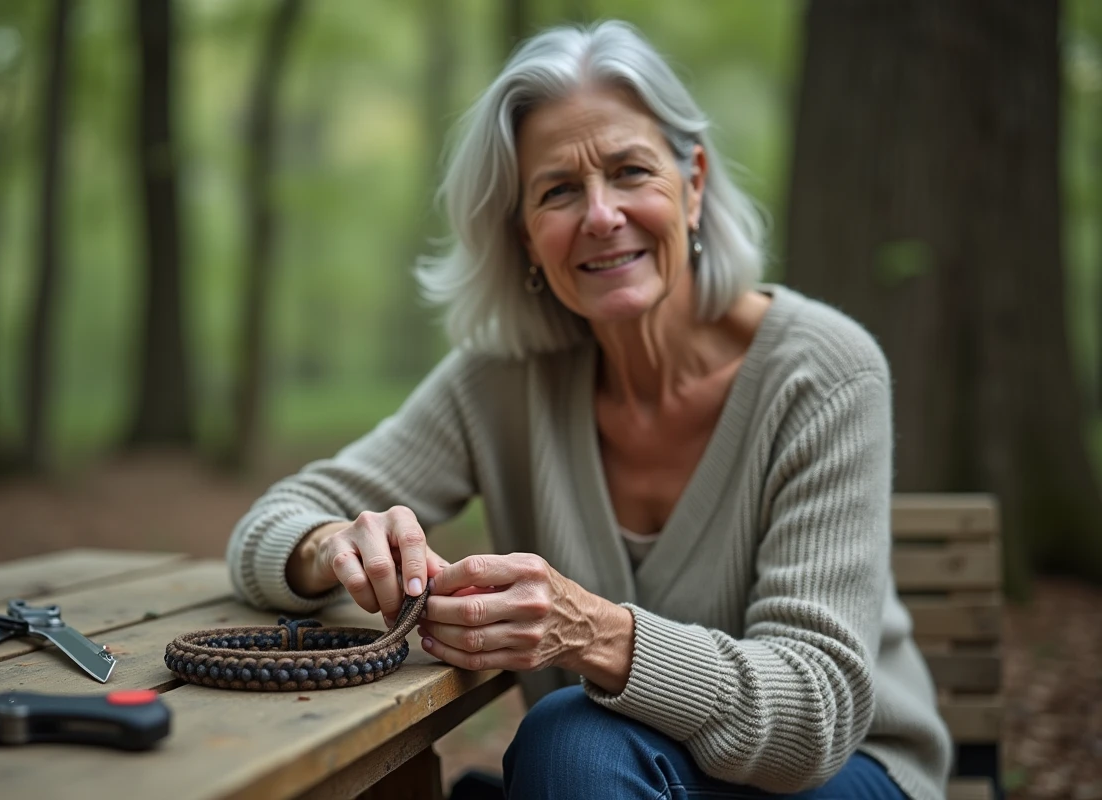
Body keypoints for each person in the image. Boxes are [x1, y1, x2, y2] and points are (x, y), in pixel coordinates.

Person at [226, 20, 952, 800]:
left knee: (571, 744)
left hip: (841, 773)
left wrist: (598, 632)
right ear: (526, 237)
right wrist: (336, 542)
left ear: (695, 184)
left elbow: (815, 715)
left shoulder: (824, 372)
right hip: (613, 776)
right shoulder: (502, 380)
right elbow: (269, 527)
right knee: (572, 753)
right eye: (559, 190)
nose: (601, 215)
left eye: (631, 170)